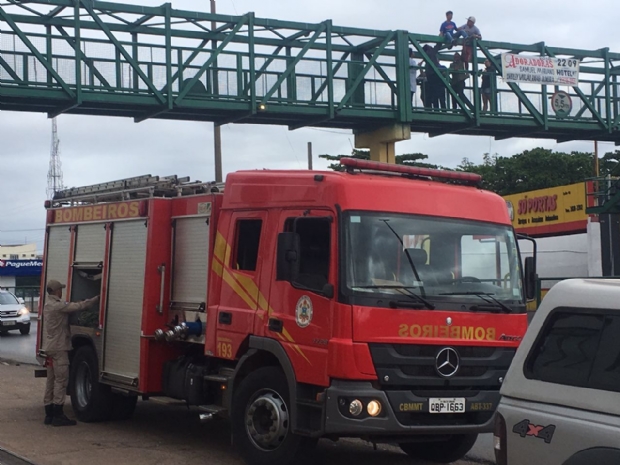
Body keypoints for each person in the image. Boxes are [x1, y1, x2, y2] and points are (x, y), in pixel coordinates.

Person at [42, 279, 99, 426]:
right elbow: (78, 306)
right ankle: (58, 414)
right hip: (59, 348)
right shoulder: (58, 306)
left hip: (50, 347)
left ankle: (48, 414)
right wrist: (95, 299)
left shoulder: (48, 305)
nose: (62, 291)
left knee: (51, 381)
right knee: (61, 381)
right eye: (60, 289)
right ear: (55, 291)